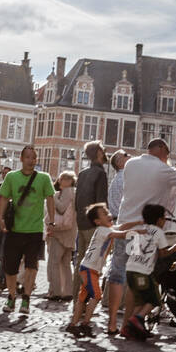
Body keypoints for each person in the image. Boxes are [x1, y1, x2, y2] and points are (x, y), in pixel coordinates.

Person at [107, 140, 176, 334]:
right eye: (167, 153)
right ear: (162, 149)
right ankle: (128, 324)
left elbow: (150, 180)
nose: (167, 158)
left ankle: (112, 323)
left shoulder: (131, 164)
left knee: (117, 275)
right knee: (137, 277)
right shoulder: (163, 169)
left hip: (123, 225)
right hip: (142, 233)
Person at [0, 145, 55, 318]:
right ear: (21, 159)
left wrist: (51, 221)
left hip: (35, 230)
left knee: (31, 266)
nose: (31, 160)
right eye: (28, 157)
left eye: (34, 158)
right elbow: (4, 197)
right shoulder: (12, 177)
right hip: (15, 229)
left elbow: (50, 199)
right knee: (10, 267)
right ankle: (12, 296)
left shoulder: (44, 178)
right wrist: (0, 218)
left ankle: (26, 298)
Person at [121, 203, 176, 341]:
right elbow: (162, 253)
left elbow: (132, 250)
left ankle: (128, 328)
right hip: (142, 272)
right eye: (164, 218)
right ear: (159, 220)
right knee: (155, 299)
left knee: (141, 302)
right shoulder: (159, 232)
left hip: (130, 269)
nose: (165, 220)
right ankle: (137, 319)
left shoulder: (140, 229)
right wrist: (174, 249)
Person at [68, 202, 130, 337]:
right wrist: (139, 231)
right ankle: (85, 324)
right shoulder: (104, 230)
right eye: (105, 213)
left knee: (82, 298)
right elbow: (121, 234)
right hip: (89, 269)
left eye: (108, 212)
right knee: (96, 296)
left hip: (89, 268)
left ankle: (73, 325)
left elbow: (122, 227)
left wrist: (136, 222)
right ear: (97, 221)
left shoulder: (107, 229)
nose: (109, 214)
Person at [72, 141, 108, 299]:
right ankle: (85, 300)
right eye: (103, 149)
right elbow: (100, 203)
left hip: (81, 224)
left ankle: (76, 300)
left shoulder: (82, 173)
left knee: (80, 263)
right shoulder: (100, 174)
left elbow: (77, 202)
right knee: (92, 266)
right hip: (94, 225)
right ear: (99, 153)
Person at [45, 170, 76, 300]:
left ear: (67, 181)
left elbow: (62, 208)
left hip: (59, 232)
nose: (59, 180)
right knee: (65, 263)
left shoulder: (67, 192)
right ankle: (67, 292)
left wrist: (52, 196)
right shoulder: (75, 192)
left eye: (62, 178)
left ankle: (55, 291)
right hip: (70, 232)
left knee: (54, 262)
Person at [108, 150, 128, 219]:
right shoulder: (125, 177)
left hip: (118, 218)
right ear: (118, 163)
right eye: (125, 155)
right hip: (123, 220)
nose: (129, 156)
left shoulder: (118, 177)